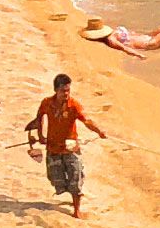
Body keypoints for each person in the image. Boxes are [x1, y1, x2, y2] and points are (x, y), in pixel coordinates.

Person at [22, 73, 111, 218]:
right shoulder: (46, 103)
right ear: (56, 90)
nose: (66, 94)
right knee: (57, 180)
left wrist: (99, 131)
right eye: (63, 91)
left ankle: (77, 210)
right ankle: (71, 197)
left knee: (75, 178)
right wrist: (40, 136)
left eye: (68, 90)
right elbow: (39, 119)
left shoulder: (73, 105)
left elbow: (86, 121)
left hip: (71, 148)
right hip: (53, 148)